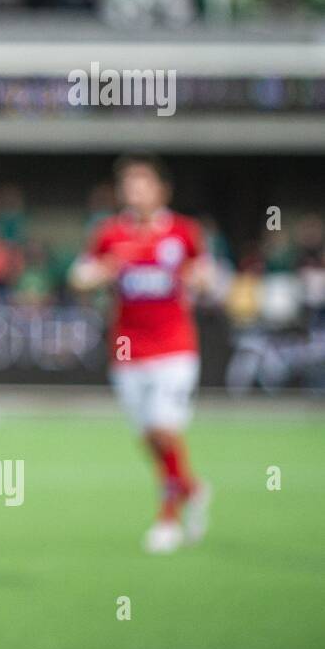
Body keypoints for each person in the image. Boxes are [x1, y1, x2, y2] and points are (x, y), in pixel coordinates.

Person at [70, 156, 215, 554]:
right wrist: (101, 272)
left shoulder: (184, 233)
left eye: (142, 183)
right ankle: (191, 486)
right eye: (128, 185)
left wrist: (201, 278)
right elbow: (79, 277)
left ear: (161, 190)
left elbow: (209, 278)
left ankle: (168, 518)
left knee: (163, 428)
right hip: (128, 350)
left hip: (175, 348)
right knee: (148, 437)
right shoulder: (109, 234)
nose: (134, 191)